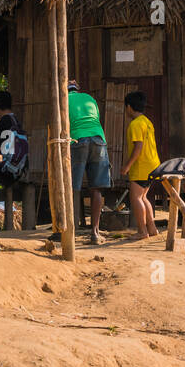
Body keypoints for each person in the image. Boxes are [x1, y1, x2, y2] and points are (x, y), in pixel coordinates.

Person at [67, 79, 110, 244]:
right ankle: (95, 232)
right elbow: (95, 118)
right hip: (98, 139)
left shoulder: (64, 99)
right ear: (77, 89)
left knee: (72, 188)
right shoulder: (90, 98)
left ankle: (69, 231)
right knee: (96, 188)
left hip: (78, 139)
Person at [121, 90, 159, 240]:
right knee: (143, 197)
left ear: (129, 107)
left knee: (136, 197)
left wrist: (127, 166)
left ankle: (142, 231)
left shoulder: (135, 124)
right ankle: (152, 228)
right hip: (153, 164)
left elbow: (138, 147)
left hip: (141, 165)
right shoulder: (147, 121)